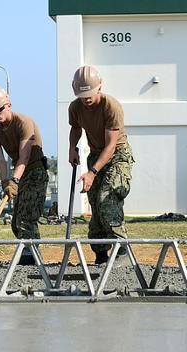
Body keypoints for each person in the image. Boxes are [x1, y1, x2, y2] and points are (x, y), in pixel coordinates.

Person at [68, 65, 134, 264]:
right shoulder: (75, 107)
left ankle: (122, 249)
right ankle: (100, 253)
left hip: (117, 155)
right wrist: (72, 147)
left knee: (107, 197)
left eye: (89, 93)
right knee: (95, 203)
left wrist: (92, 172)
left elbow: (111, 145)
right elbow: (76, 128)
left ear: (99, 87)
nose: (86, 98)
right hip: (95, 154)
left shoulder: (110, 106)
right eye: (82, 94)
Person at [0, 85, 48, 265]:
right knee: (16, 222)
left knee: (27, 217)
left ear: (8, 104)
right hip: (18, 174)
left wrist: (14, 180)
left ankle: (32, 258)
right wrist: (5, 181)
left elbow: (24, 155)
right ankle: (27, 253)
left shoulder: (23, 122)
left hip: (35, 171)